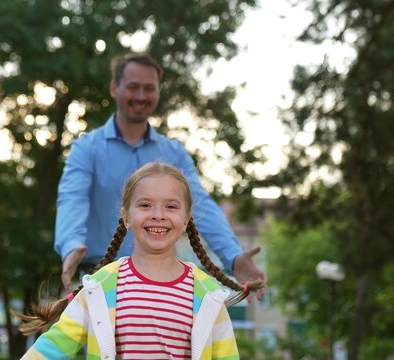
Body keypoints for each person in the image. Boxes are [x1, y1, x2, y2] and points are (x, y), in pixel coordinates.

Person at [55, 52, 266, 299]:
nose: (141, 96)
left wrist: (233, 256)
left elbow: (201, 205)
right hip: (99, 281)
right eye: (133, 87)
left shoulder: (174, 154)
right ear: (114, 88)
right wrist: (70, 245)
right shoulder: (86, 149)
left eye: (149, 88)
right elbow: (72, 198)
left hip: (161, 284)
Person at [19, 162, 265, 359]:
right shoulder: (100, 287)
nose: (158, 215)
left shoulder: (208, 294)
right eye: (145, 205)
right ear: (126, 217)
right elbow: (52, 349)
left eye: (170, 206)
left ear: (186, 219)